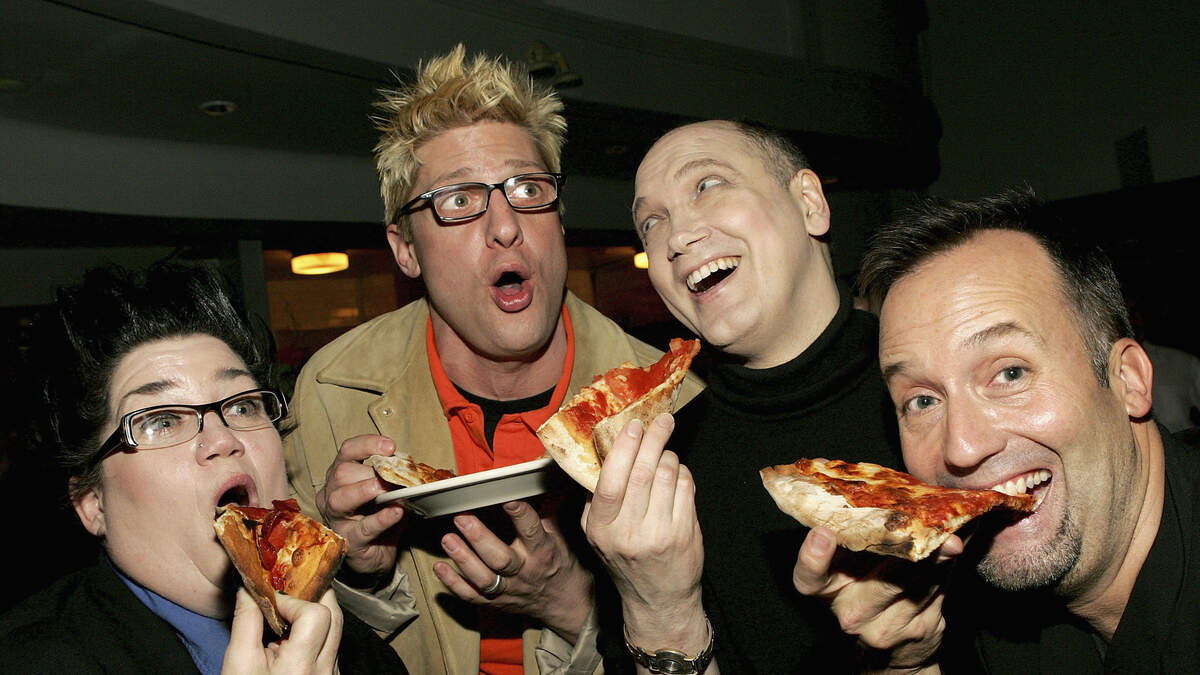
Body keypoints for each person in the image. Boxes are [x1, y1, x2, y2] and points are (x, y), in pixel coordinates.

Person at [283, 45, 701, 674]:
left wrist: (573, 606)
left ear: (559, 220)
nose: (505, 226)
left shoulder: (675, 403)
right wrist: (359, 569)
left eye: (528, 189)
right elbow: (292, 627)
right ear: (405, 250)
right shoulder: (330, 394)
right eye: (457, 200)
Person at [793, 189, 1200, 672]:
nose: (962, 448)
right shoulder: (983, 615)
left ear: (1128, 380)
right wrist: (906, 665)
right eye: (922, 400)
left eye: (1009, 373)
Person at [582, 120, 902, 673]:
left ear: (809, 204)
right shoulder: (654, 470)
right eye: (651, 222)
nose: (675, 238)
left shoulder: (944, 398)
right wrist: (661, 611)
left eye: (708, 185)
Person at [0, 264, 406, 674]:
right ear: (93, 504)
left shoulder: (356, 651)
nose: (223, 439)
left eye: (242, 406)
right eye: (162, 420)